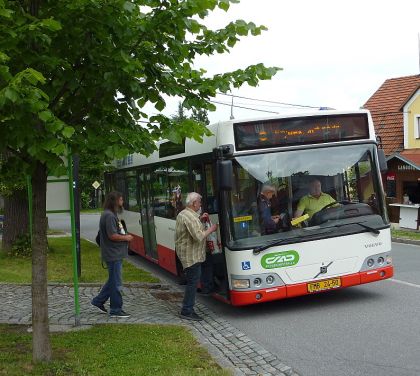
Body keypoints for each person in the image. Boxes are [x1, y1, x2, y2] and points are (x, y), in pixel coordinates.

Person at [175, 192, 217, 321]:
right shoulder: (189, 217)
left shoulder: (186, 214)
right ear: (194, 203)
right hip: (191, 256)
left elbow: (192, 227)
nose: (200, 204)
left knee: (193, 281)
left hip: (192, 254)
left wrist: (200, 219)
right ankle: (187, 310)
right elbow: (198, 236)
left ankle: (187, 308)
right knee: (193, 283)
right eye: (199, 202)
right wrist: (212, 228)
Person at [91, 191, 133, 318]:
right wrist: (126, 238)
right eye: (120, 200)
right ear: (115, 201)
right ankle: (116, 309)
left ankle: (98, 301)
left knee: (113, 280)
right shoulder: (109, 216)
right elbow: (112, 235)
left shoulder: (111, 214)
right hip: (113, 254)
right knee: (116, 283)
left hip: (115, 253)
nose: (122, 202)